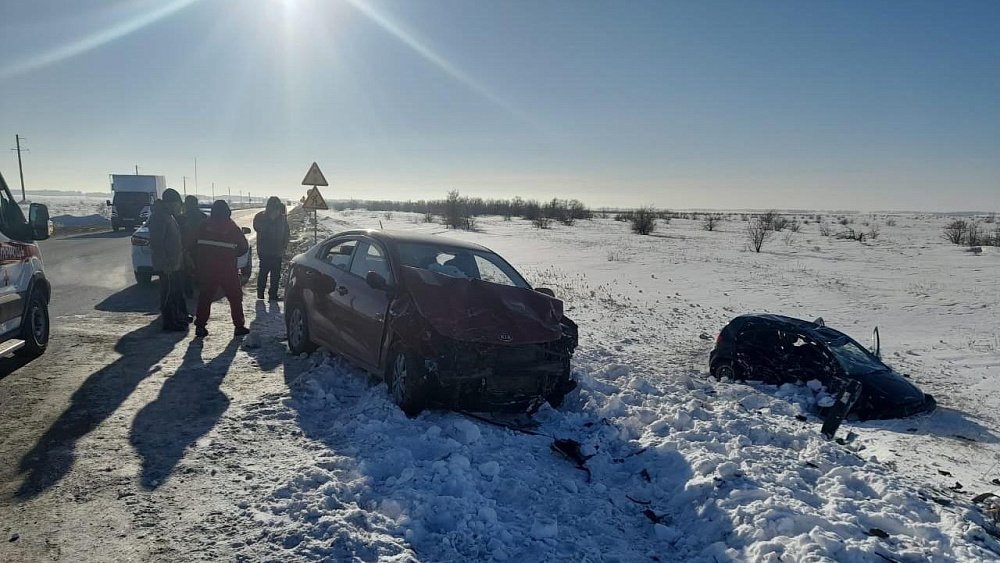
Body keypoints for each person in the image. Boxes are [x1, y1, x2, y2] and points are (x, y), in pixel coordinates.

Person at [194, 200, 250, 338]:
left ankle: (200, 326)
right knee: (235, 297)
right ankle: (239, 326)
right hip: (227, 269)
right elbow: (243, 247)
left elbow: (193, 244)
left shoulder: (203, 225)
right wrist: (232, 255)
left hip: (207, 268)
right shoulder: (231, 227)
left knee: (205, 297)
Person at [148, 189, 188, 331]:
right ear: (170, 203)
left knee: (175, 292)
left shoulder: (168, 216)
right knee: (168, 293)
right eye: (177, 204)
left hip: (174, 263)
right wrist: (165, 263)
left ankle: (177, 317)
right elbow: (157, 243)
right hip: (167, 265)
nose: (179, 207)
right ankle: (169, 322)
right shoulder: (159, 217)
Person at [253, 196, 290, 301]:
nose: (276, 210)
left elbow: (286, 233)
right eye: (274, 207)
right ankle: (260, 293)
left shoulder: (282, 219)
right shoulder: (260, 217)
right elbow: (257, 228)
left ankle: (273, 295)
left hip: (277, 251)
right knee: (263, 272)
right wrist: (270, 220)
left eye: (277, 207)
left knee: (275, 275)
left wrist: (284, 246)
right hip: (264, 250)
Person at [179, 195, 206, 297]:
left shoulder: (182, 218)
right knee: (201, 271)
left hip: (186, 249)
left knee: (186, 272)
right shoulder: (203, 217)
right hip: (201, 248)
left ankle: (188, 292)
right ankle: (201, 290)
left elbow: (179, 235)